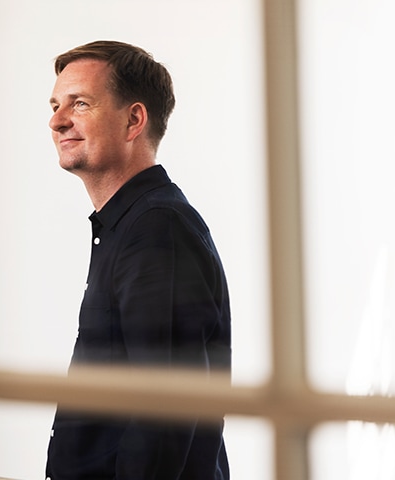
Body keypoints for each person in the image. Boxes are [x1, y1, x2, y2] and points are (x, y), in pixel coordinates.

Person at [45, 40, 231, 480]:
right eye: (55, 105)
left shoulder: (156, 230)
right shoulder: (130, 225)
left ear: (134, 120)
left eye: (80, 103)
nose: (57, 120)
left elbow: (163, 415)